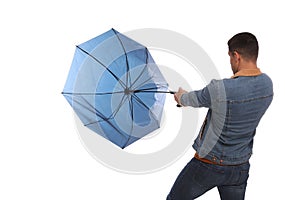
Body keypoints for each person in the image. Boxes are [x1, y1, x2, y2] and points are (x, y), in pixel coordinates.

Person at [167, 32, 273, 200]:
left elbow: (191, 99)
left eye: (230, 57)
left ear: (236, 56)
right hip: (240, 167)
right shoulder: (267, 85)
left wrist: (181, 96)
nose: (230, 62)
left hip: (209, 164)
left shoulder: (220, 88)